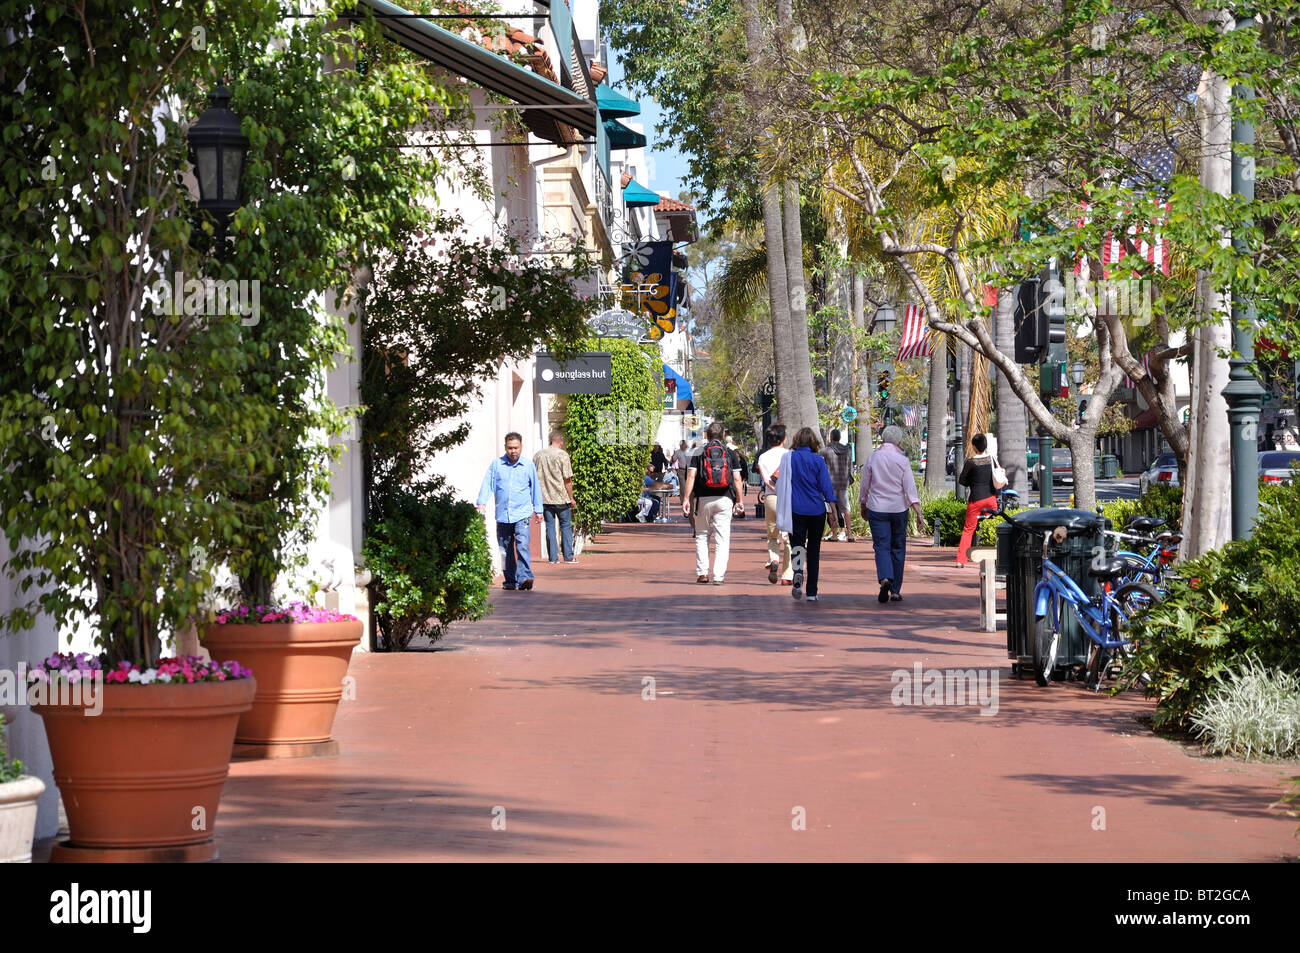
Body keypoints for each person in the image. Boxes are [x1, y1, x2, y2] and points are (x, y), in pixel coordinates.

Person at [859, 425, 927, 603]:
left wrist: (863, 503)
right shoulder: (902, 460)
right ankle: (895, 590)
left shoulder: (873, 457)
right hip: (898, 509)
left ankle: (885, 578)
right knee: (898, 548)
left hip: (877, 508)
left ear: (882, 439)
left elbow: (864, 484)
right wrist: (918, 511)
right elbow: (909, 488)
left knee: (881, 546)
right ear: (899, 441)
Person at [777, 428, 838, 603]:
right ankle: (812, 591)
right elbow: (826, 486)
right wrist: (833, 510)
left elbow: (781, 480)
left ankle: (797, 574)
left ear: (796, 440)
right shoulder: (818, 461)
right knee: (814, 550)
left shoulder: (789, 458)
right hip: (816, 510)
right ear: (813, 442)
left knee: (797, 546)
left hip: (795, 510)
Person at [477, 432, 544, 590]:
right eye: (510, 448)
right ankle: (510, 580)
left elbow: (535, 488)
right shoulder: (496, 465)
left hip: (522, 514)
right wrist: (481, 503)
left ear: (521, 447)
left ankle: (525, 577)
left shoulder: (528, 466)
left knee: (522, 545)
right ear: (505, 447)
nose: (513, 451)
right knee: (504, 549)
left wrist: (539, 510)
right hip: (503, 515)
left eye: (516, 448)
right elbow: (488, 484)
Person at [682, 422, 744, 584]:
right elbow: (737, 478)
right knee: (722, 539)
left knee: (702, 535)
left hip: (703, 498)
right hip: (725, 498)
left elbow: (691, 477)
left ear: (707, 436)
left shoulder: (698, 452)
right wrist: (739, 500)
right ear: (722, 436)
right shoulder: (729, 453)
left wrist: (686, 499)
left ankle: (703, 573)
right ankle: (718, 575)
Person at [533, 430, 578, 564]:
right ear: (561, 442)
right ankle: (568, 556)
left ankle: (553, 558)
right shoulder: (563, 455)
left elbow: (534, 477)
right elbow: (567, 479)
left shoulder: (538, 455)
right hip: (561, 498)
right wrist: (571, 497)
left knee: (550, 527)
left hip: (545, 498)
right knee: (565, 526)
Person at [756, 423, 793, 586]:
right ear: (784, 439)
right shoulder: (789, 455)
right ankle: (787, 575)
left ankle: (773, 558)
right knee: (789, 538)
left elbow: (765, 479)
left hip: (770, 498)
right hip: (788, 498)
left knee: (772, 534)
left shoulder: (763, 457)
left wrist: (773, 487)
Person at [955, 433, 1000, 568]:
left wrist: (972, 482)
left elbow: (962, 480)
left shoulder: (971, 462)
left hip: (975, 500)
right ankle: (997, 558)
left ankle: (961, 560)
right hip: (991, 498)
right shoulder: (991, 459)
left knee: (968, 529)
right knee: (993, 527)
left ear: (974, 447)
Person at [819, 427, 854, 542]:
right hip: (843, 483)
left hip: (830, 484)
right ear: (839, 438)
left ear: (831, 437)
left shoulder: (826, 450)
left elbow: (819, 456)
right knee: (846, 509)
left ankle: (834, 534)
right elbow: (850, 467)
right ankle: (849, 534)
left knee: (830, 510)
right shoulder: (847, 450)